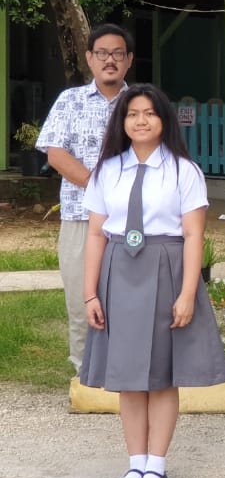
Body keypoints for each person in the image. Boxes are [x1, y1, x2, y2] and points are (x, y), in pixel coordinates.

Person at [80, 84, 225, 478]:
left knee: (162, 374)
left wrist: (187, 293)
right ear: (122, 122)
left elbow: (194, 235)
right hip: (118, 269)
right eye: (132, 114)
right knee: (128, 374)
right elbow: (95, 233)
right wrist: (91, 293)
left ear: (163, 120)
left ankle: (157, 466)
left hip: (166, 267)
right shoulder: (107, 171)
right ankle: (135, 464)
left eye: (149, 113)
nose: (140, 121)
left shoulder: (185, 170)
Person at [36, 23, 134, 369]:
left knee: (129, 303)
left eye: (118, 54)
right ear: (90, 58)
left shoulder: (140, 104)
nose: (110, 60)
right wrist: (102, 192)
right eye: (103, 53)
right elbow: (56, 154)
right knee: (82, 302)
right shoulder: (70, 100)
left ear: (129, 60)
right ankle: (85, 373)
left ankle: (127, 373)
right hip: (81, 217)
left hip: (132, 222)